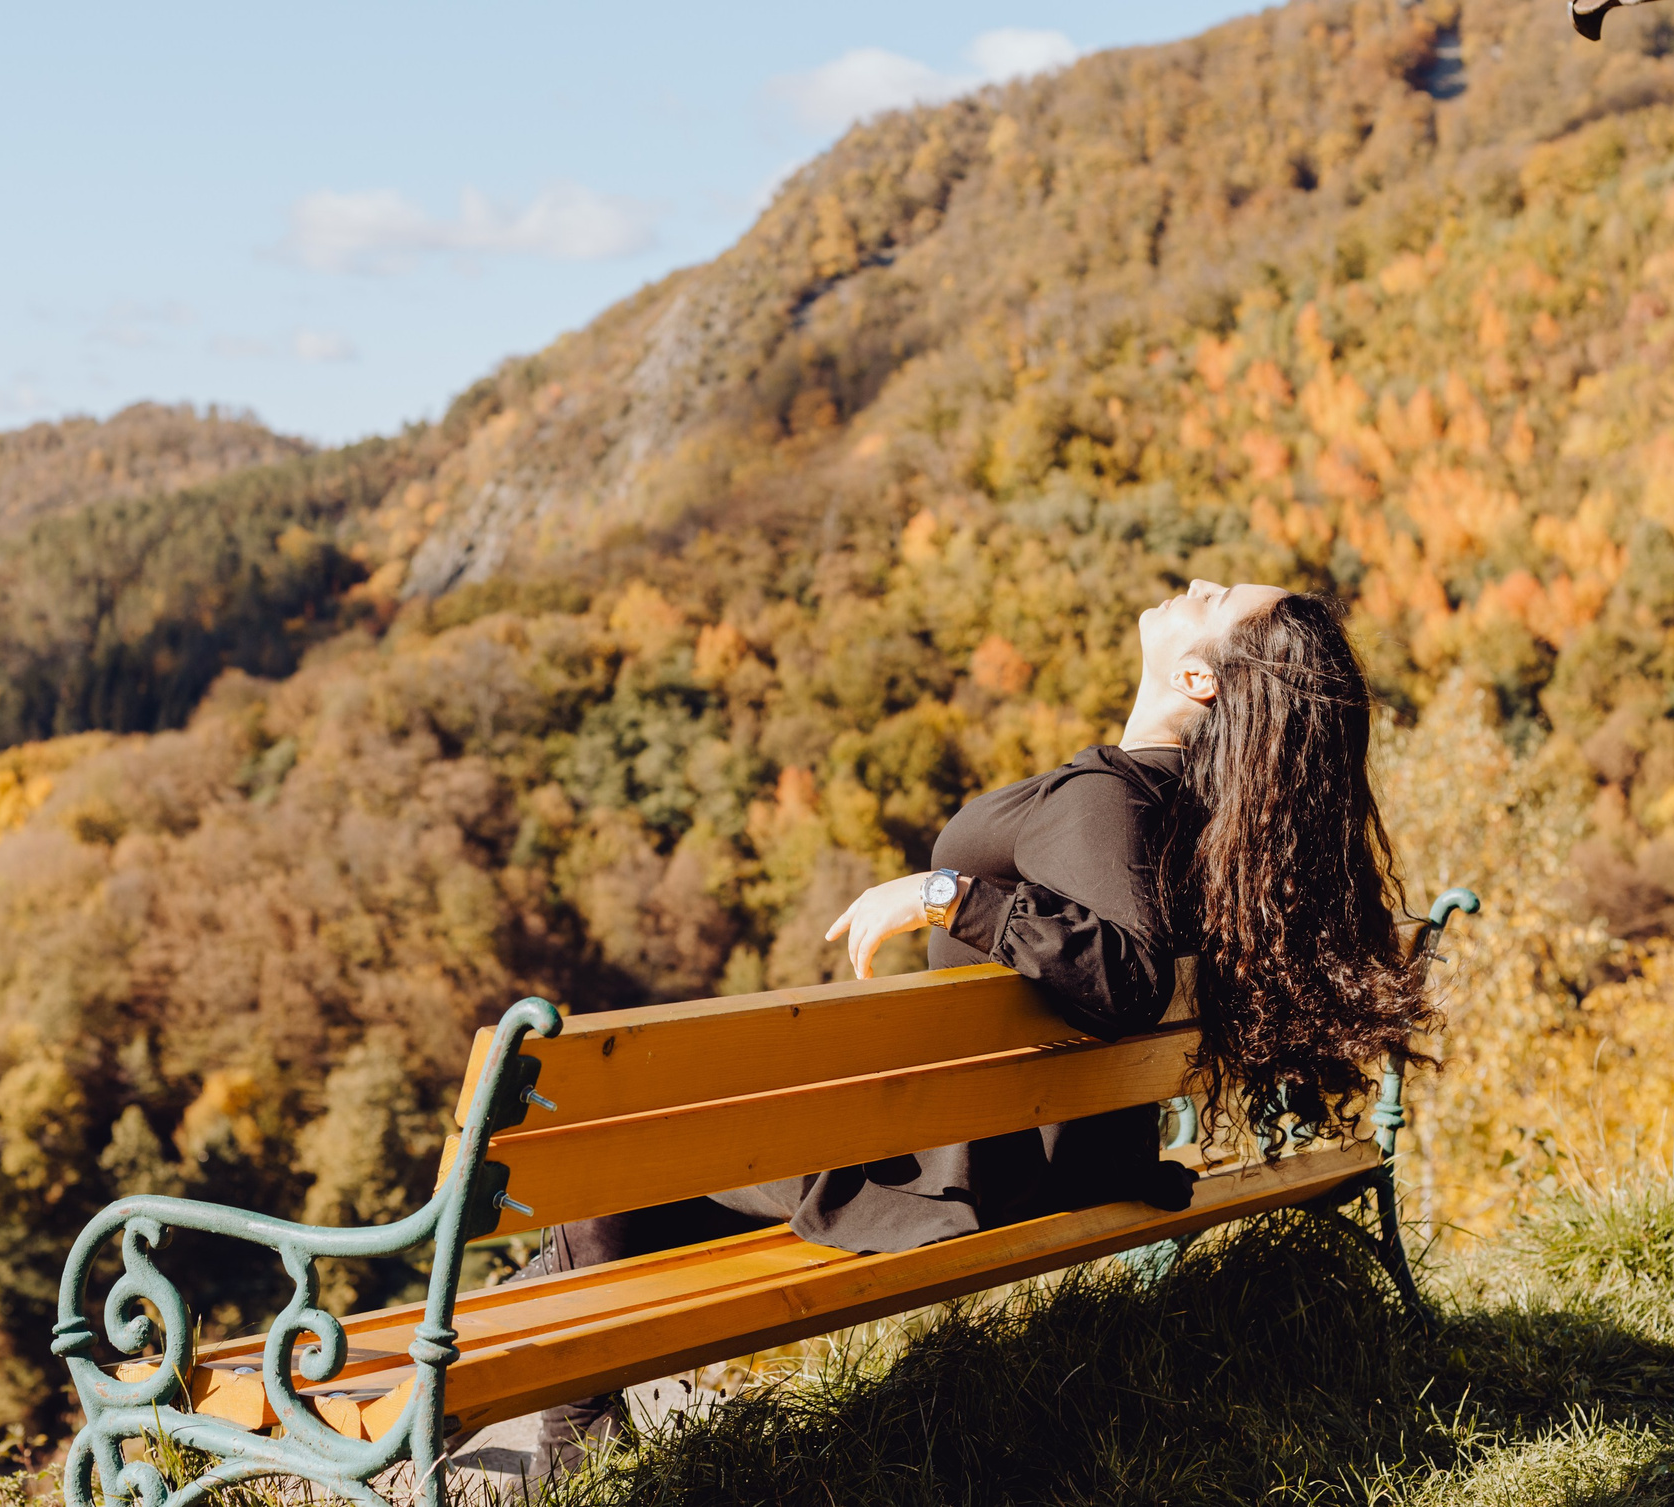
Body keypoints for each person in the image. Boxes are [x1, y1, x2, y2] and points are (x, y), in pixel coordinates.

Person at [447, 581, 1433, 1484]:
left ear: (1197, 680)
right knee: (655, 1187)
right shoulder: (1207, 824)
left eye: (1216, 600)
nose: (1196, 585)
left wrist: (949, 894)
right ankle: (527, 1359)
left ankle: (565, 1443)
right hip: (1058, 1164)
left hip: (945, 1179)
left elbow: (1129, 980)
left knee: (617, 1134)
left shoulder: (1107, 797)